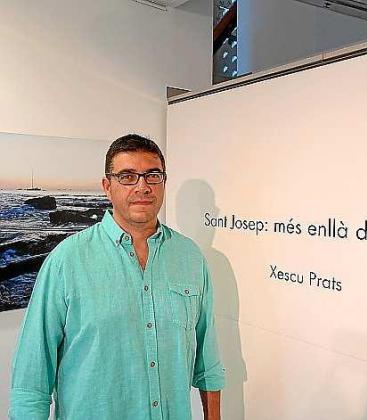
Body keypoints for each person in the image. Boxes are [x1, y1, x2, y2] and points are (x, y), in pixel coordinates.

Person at [9, 134, 225, 420]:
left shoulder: (190, 257)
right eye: (127, 176)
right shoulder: (66, 261)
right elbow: (32, 379)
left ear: (163, 182)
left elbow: (207, 358)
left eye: (152, 175)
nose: (142, 186)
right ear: (107, 187)